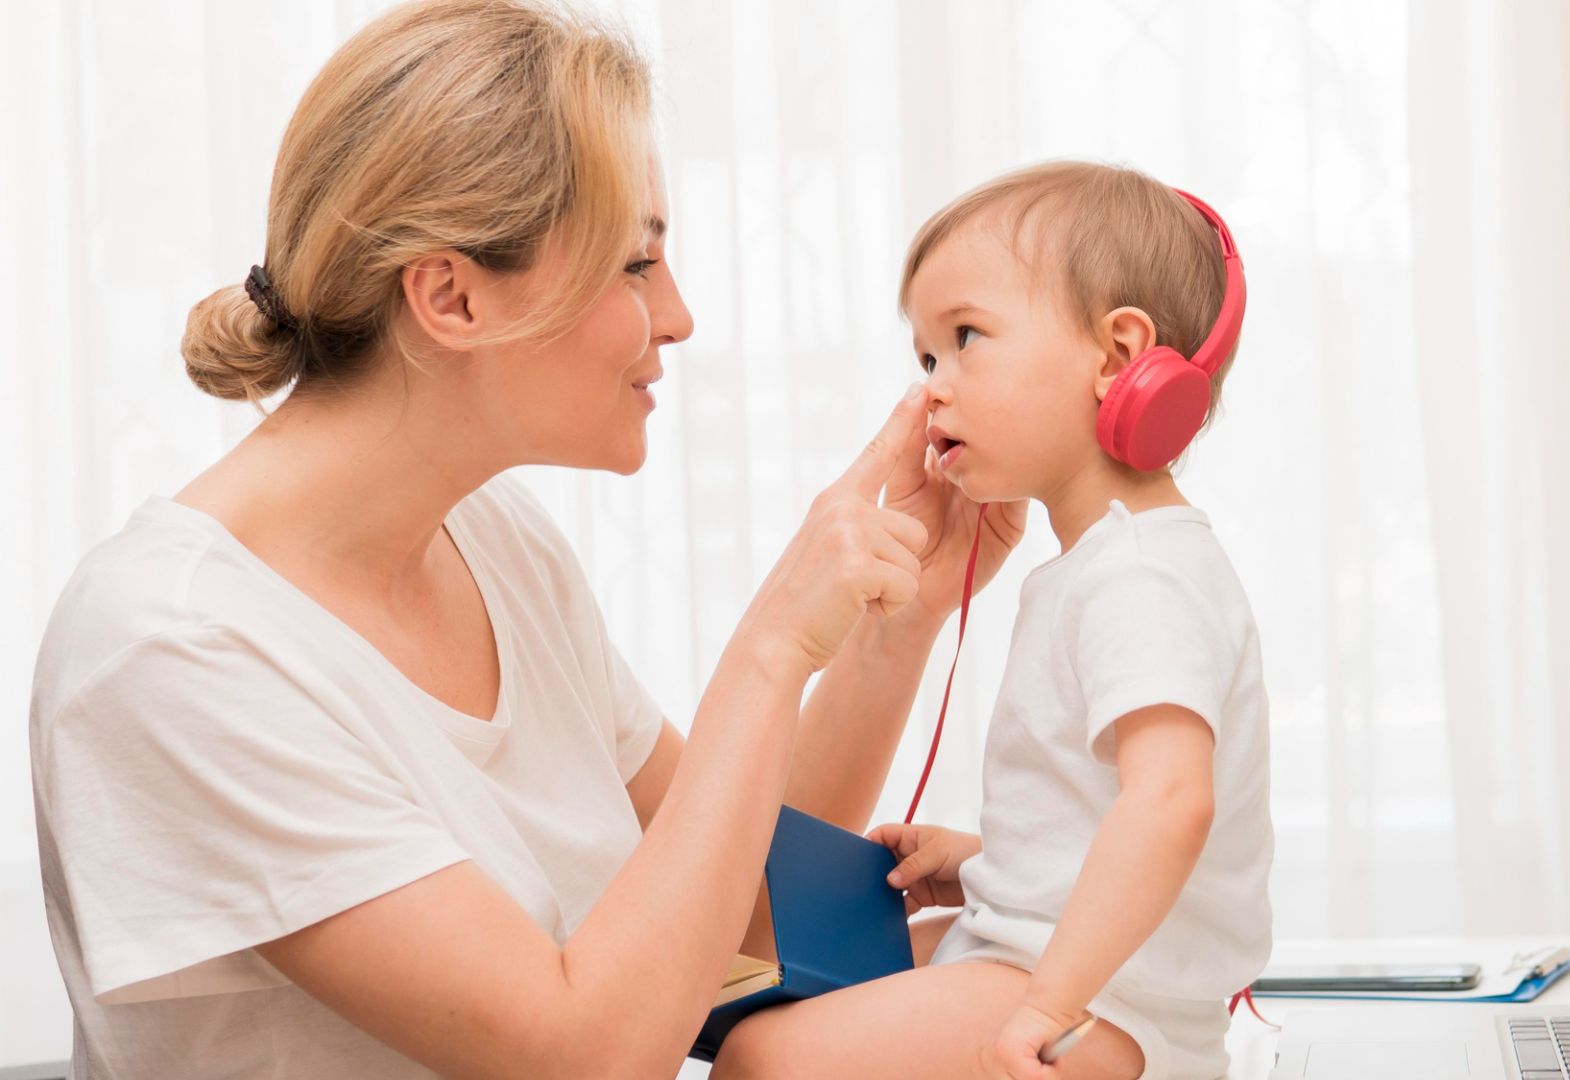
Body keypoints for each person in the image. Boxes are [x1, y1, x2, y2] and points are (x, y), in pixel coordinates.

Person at [26, 2, 1026, 1077]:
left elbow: (741, 911)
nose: (680, 315)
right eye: (636, 265)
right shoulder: (174, 650)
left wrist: (897, 618)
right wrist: (771, 645)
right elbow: (581, 1054)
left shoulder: (494, 543)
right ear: (452, 296)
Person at [710, 162, 1275, 1080]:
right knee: (816, 987)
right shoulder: (1105, 564)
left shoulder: (1140, 575)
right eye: (925, 357)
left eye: (966, 338)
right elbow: (1111, 805)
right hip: (1069, 970)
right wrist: (993, 863)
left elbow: (1175, 802)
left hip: (1103, 1006)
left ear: (1119, 356)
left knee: (764, 1058)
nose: (931, 387)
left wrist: (1047, 1008)